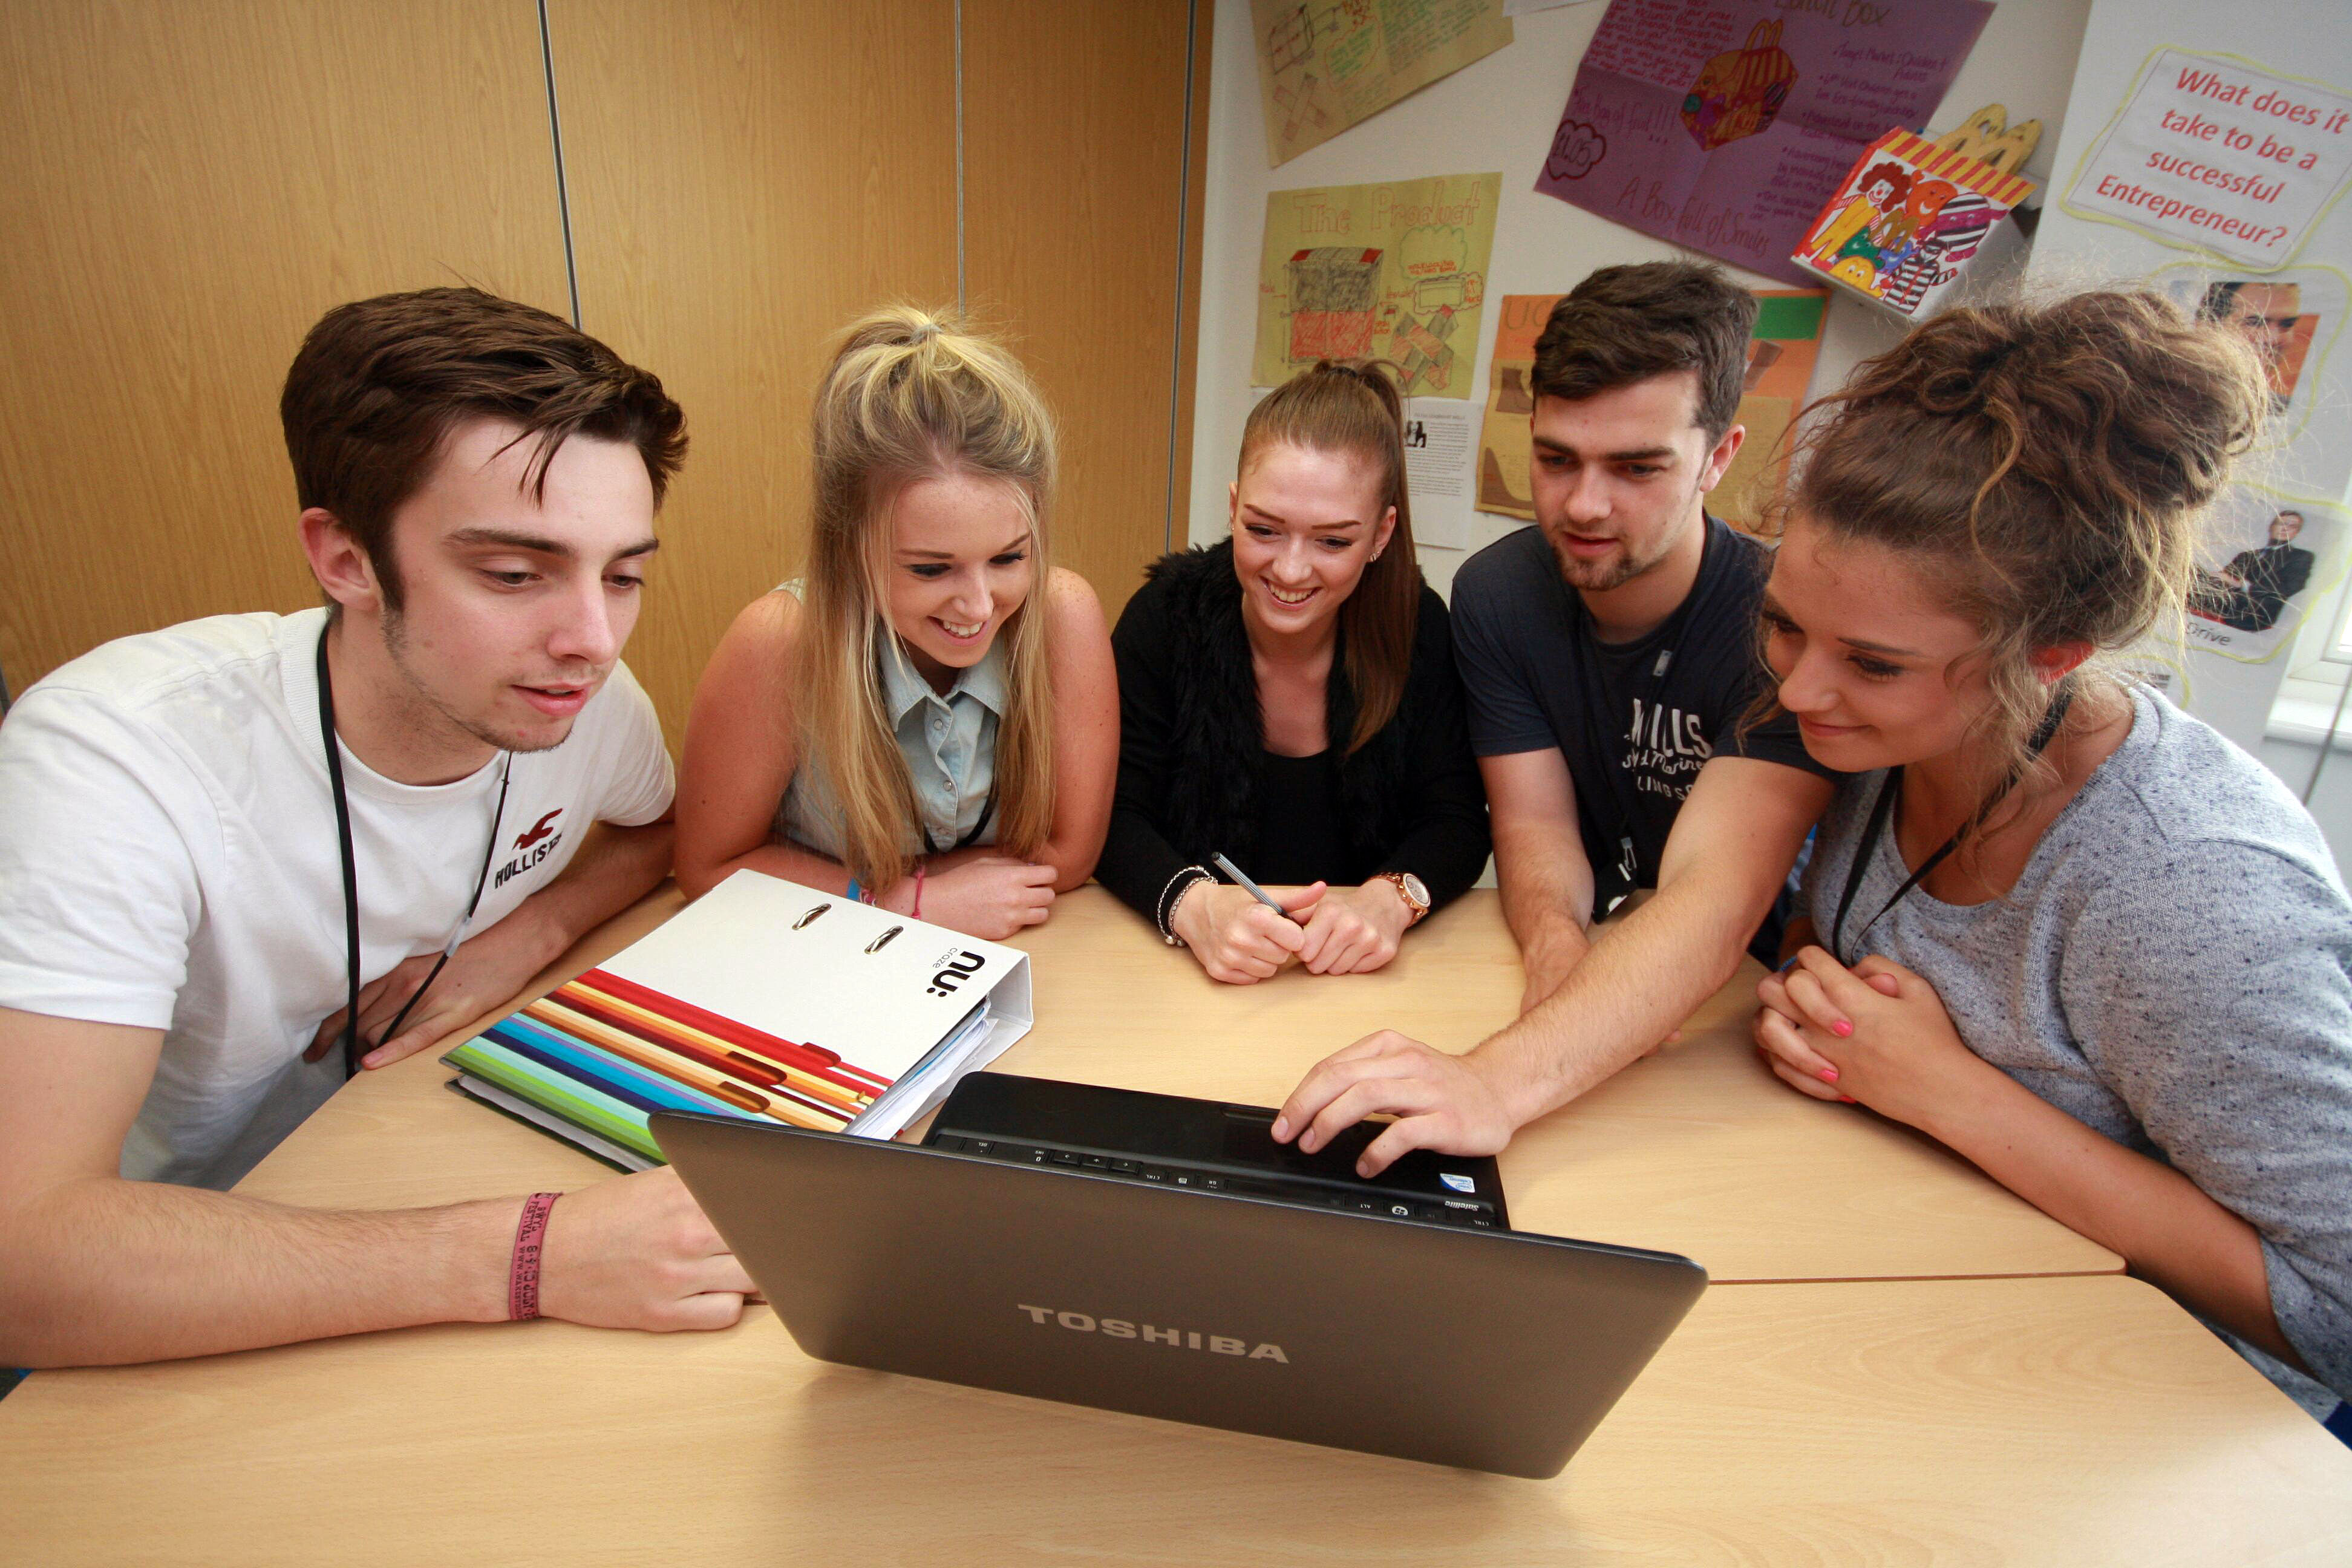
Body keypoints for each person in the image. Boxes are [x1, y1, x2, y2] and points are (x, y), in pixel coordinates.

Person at [0, 287, 756, 1367]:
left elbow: (660, 830)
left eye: (624, 574)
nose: (593, 639)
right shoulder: (113, 757)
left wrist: (529, 935)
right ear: (346, 558)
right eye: (515, 574)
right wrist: (537, 1254)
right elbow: (26, 1260)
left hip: (387, 1157)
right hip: (161, 1276)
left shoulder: (583, 704)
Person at [1748, 290, 2351, 1436]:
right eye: (1783, 624)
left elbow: (2335, 1317)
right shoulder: (1890, 740)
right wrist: (1812, 1001)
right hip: (1927, 1299)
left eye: (1872, 664)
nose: (1798, 690)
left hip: (2158, 1416)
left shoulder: (2191, 888)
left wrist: (1946, 1090)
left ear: (2053, 653)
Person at [1272, 261, 1836, 1172]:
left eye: (1637, 468)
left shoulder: (1788, 624)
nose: (1583, 505)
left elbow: (1715, 903)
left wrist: (1493, 1083)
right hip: (1594, 981)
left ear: (1719, 456)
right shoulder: (1498, 594)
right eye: (1556, 458)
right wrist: (1557, 951)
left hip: (1747, 1009)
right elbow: (1534, 824)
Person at [675, 307, 1116, 939]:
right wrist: (905, 902)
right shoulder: (779, 640)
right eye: (931, 569)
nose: (979, 606)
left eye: (1009, 558)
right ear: (848, 546)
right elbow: (708, 869)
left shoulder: (1063, 614)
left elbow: (1069, 854)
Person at [1094, 361, 1489, 983]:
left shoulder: (1419, 627)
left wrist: (1390, 900)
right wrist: (1193, 907)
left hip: (1357, 981)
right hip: (1186, 979)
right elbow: (1111, 815)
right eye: (1264, 530)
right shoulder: (1166, 617)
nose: (1291, 570)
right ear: (1233, 507)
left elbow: (1457, 821)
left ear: (1381, 534)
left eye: (1333, 541)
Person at [2195, 509, 2316, 633]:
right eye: (2282, 523)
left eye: (2293, 526)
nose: (2286, 529)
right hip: (2223, 608)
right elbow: (2224, 580)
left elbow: (2290, 588)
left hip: (2253, 618)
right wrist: (2206, 576)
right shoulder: (2246, 556)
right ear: (2272, 527)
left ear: (2296, 533)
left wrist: (2241, 584)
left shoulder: (2300, 557)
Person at [2199, 279, 2305, 412]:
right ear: (2209, 325)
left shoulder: (2288, 410)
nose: (2273, 339)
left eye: (2287, 324)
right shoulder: (2178, 401)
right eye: (2255, 323)